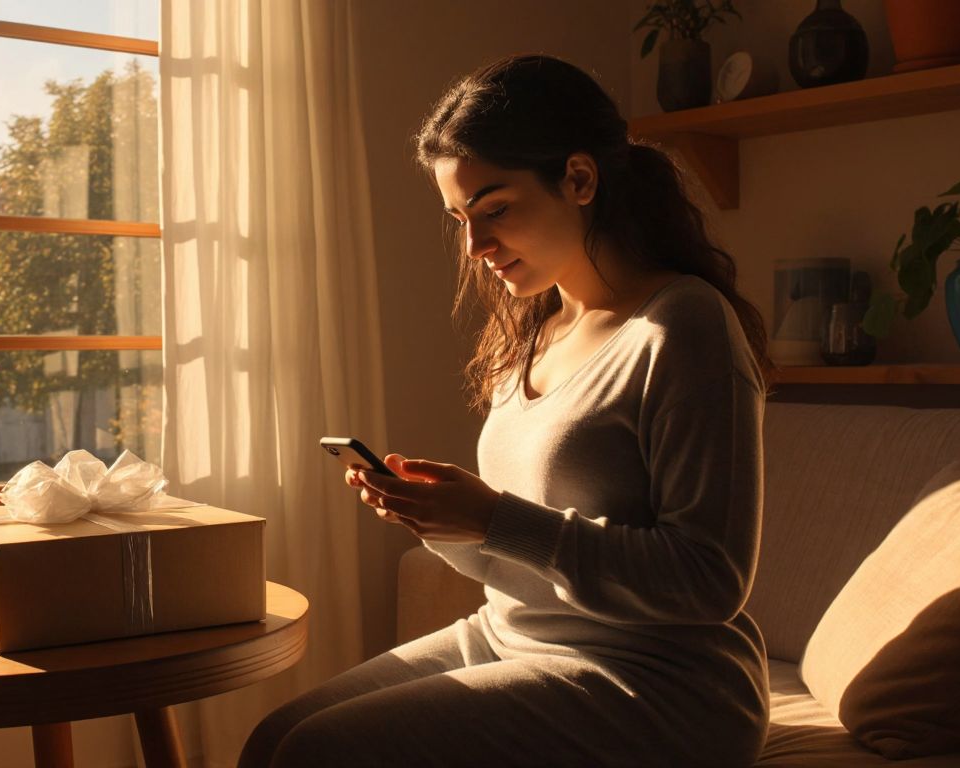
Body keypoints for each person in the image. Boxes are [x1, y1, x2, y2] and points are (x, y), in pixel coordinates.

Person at [239, 53, 773, 767]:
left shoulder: (683, 328)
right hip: (513, 636)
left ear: (579, 179)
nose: (474, 246)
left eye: (494, 210)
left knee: (319, 753)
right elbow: (520, 559)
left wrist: (494, 519)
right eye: (459, 218)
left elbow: (710, 579)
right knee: (272, 740)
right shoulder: (531, 331)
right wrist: (442, 519)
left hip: (660, 681)